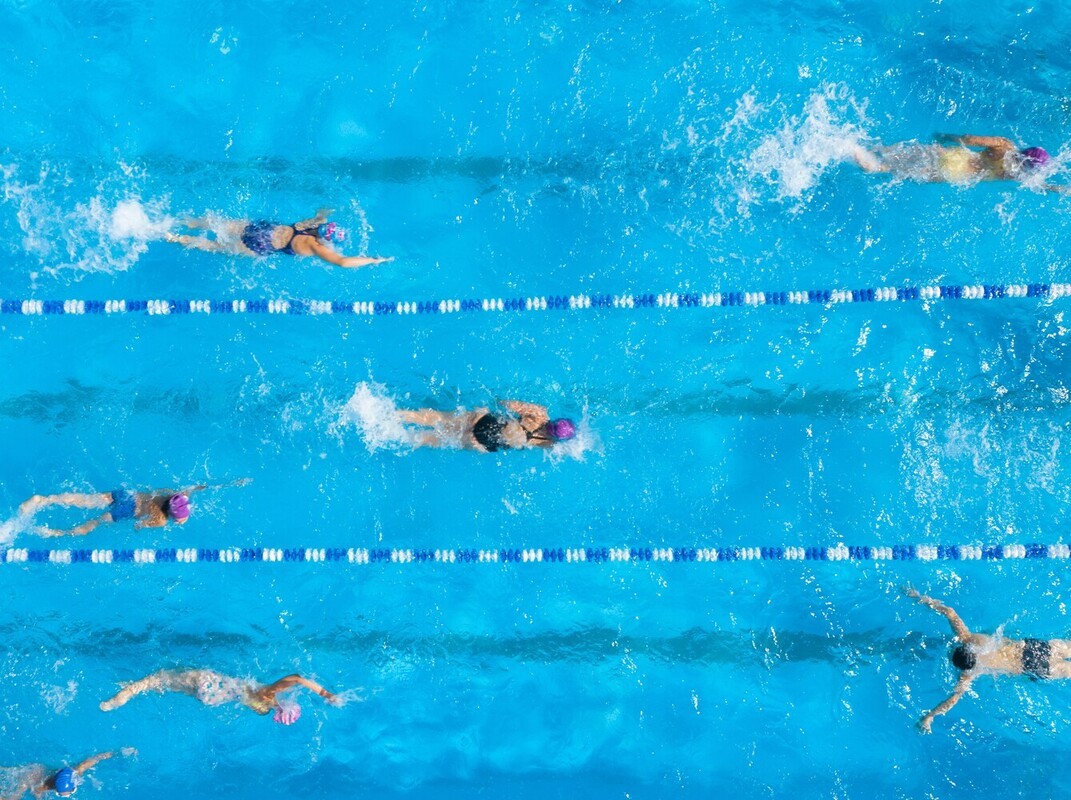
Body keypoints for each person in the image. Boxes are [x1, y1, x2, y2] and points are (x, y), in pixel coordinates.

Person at [905, 588, 1071, 733]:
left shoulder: (969, 673)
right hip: (1030, 647)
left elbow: (953, 698)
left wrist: (929, 716)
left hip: (1031, 666)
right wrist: (919, 597)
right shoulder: (969, 639)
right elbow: (949, 612)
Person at [164, 208, 392, 268]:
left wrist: (329, 211)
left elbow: (323, 210)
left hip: (262, 228)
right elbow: (342, 262)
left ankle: (174, 221)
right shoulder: (314, 247)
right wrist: (372, 260)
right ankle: (176, 238)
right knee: (214, 246)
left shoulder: (315, 223)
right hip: (262, 245)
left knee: (216, 223)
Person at [99, 669, 340, 724]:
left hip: (207, 681)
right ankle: (129, 688)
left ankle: (125, 693)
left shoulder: (267, 693)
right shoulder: (263, 703)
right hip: (211, 698)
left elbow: (296, 678)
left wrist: (325, 693)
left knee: (157, 679)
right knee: (159, 685)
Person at [853, 134, 1061, 188]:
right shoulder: (1014, 174)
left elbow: (970, 139)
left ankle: (861, 146)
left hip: (954, 156)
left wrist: (946, 136)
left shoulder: (1004, 145)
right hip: (956, 175)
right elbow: (1043, 186)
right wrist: (1061, 189)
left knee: (897, 153)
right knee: (887, 169)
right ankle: (872, 164)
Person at [18, 486, 205, 537]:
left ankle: (45, 500)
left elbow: (185, 491)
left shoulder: (169, 494)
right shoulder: (161, 521)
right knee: (92, 525)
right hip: (125, 511)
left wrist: (196, 488)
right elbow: (139, 525)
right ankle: (57, 533)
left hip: (128, 495)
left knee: (85, 500)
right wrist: (140, 527)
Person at [398, 400, 577, 452]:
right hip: (482, 442)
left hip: (483, 420)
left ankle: (395, 416)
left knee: (437, 418)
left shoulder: (540, 413)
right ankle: (397, 437)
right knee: (432, 439)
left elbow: (507, 404)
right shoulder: (548, 443)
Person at [1, 751, 121, 799]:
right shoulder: (47, 785)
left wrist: (113, 753)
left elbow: (94, 759)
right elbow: (36, 791)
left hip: (39, 770)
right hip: (30, 776)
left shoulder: (76, 771)